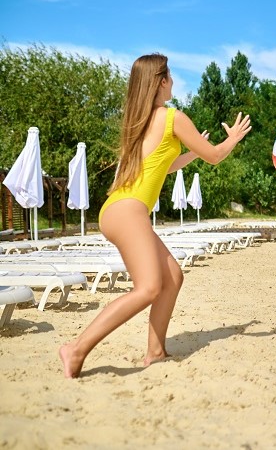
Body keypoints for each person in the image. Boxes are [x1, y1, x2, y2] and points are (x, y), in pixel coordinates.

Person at [59, 53, 251, 378]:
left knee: (172, 278)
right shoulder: (172, 116)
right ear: (161, 80)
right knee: (148, 288)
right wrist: (231, 139)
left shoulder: (143, 120)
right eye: (171, 76)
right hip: (129, 211)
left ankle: (156, 351)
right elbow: (217, 156)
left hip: (119, 209)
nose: (174, 81)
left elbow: (165, 165)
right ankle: (76, 348)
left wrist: (190, 152)